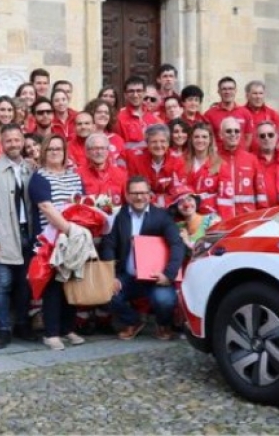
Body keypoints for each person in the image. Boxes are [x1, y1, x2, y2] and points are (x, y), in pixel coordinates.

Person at [100, 176, 186, 341]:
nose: (139, 197)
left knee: (165, 300)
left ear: (150, 194)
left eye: (143, 193)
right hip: (128, 277)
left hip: (155, 278)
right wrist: (111, 276)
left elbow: (176, 245)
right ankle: (133, 321)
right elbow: (109, 245)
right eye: (134, 193)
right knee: (104, 292)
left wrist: (168, 275)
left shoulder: (162, 216)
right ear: (127, 195)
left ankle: (163, 324)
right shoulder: (120, 216)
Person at [27, 134, 85, 350]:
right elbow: (46, 207)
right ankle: (51, 333)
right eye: (50, 149)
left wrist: (77, 231)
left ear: (65, 152)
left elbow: (81, 203)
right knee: (52, 286)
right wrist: (69, 229)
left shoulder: (74, 176)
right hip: (50, 239)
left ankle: (67, 328)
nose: (54, 153)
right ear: (43, 152)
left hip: (73, 238)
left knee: (70, 281)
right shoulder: (39, 177)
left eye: (58, 149)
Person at [0, 124, 34, 349]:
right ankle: (3, 329)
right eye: (9, 140)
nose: (13, 144)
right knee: (3, 284)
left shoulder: (30, 168)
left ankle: (22, 324)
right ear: (2, 143)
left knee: (25, 284)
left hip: (27, 233)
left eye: (17, 140)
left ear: (23, 142)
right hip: (3, 235)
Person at [174, 123, 235, 218]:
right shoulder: (180, 162)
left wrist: (224, 222)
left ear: (210, 140)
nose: (200, 140)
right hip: (185, 218)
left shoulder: (221, 165)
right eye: (196, 137)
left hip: (211, 218)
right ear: (191, 139)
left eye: (204, 137)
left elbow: (226, 200)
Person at [125, 124, 179, 208]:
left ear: (168, 143)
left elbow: (178, 191)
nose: (158, 145)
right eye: (154, 142)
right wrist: (153, 200)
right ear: (147, 144)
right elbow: (133, 189)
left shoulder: (177, 160)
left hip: (169, 206)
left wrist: (161, 201)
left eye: (162, 141)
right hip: (142, 204)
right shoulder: (136, 159)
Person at [216, 117, 258, 215]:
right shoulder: (213, 159)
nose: (233, 134)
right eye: (228, 131)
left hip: (246, 216)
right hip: (221, 217)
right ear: (221, 135)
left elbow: (260, 193)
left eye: (237, 131)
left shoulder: (252, 159)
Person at [114, 76, 162, 152]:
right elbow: (117, 147)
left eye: (139, 91)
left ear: (144, 93)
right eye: (131, 91)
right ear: (125, 95)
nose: (135, 95)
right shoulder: (119, 118)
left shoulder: (154, 118)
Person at [237, 80, 279, 152]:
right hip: (246, 155)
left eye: (261, 93)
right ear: (247, 96)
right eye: (255, 93)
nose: (258, 97)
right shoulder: (239, 114)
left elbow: (277, 140)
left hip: (266, 156)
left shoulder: (273, 115)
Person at [168, 185, 217, 251]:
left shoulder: (211, 220)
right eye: (180, 202)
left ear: (196, 201)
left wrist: (187, 242)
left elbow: (215, 248)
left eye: (189, 200)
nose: (186, 205)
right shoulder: (177, 227)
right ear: (176, 208)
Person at [84, 99, 126, 166]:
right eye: (99, 112)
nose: (103, 115)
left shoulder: (117, 139)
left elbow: (122, 166)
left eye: (106, 113)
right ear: (91, 114)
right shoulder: (83, 137)